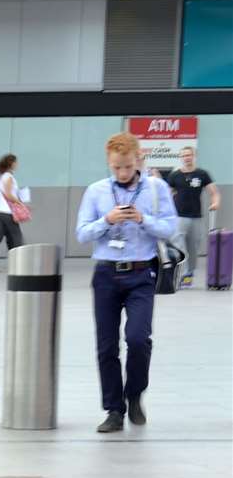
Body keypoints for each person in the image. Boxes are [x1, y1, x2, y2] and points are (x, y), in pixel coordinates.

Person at [76, 132, 178, 434]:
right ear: (109, 163)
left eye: (128, 166)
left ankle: (134, 394)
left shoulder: (156, 188)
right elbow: (81, 233)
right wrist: (106, 220)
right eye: (117, 167)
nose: (123, 173)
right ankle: (113, 409)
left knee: (138, 338)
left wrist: (142, 219)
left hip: (141, 272)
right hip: (106, 272)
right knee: (106, 345)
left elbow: (170, 228)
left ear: (139, 160)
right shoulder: (96, 191)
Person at [163, 145, 220, 288]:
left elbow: (214, 192)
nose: (186, 158)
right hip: (179, 217)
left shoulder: (202, 174)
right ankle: (182, 274)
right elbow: (167, 195)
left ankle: (189, 273)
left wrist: (215, 202)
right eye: (183, 156)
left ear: (193, 156)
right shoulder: (175, 176)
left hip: (196, 217)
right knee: (179, 246)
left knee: (194, 247)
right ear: (181, 158)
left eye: (189, 155)